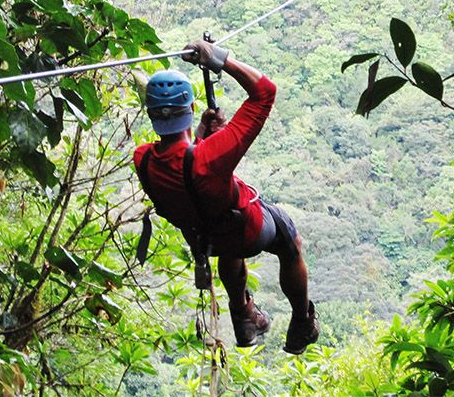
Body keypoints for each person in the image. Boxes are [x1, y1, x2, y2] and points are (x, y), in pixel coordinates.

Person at [134, 39, 319, 353]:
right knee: (289, 240)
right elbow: (265, 92)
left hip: (204, 239)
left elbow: (183, 170)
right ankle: (302, 321)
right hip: (245, 229)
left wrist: (202, 136)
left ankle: (242, 314)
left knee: (226, 238)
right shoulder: (209, 158)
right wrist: (218, 59)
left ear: (151, 114)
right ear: (190, 108)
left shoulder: (144, 160)